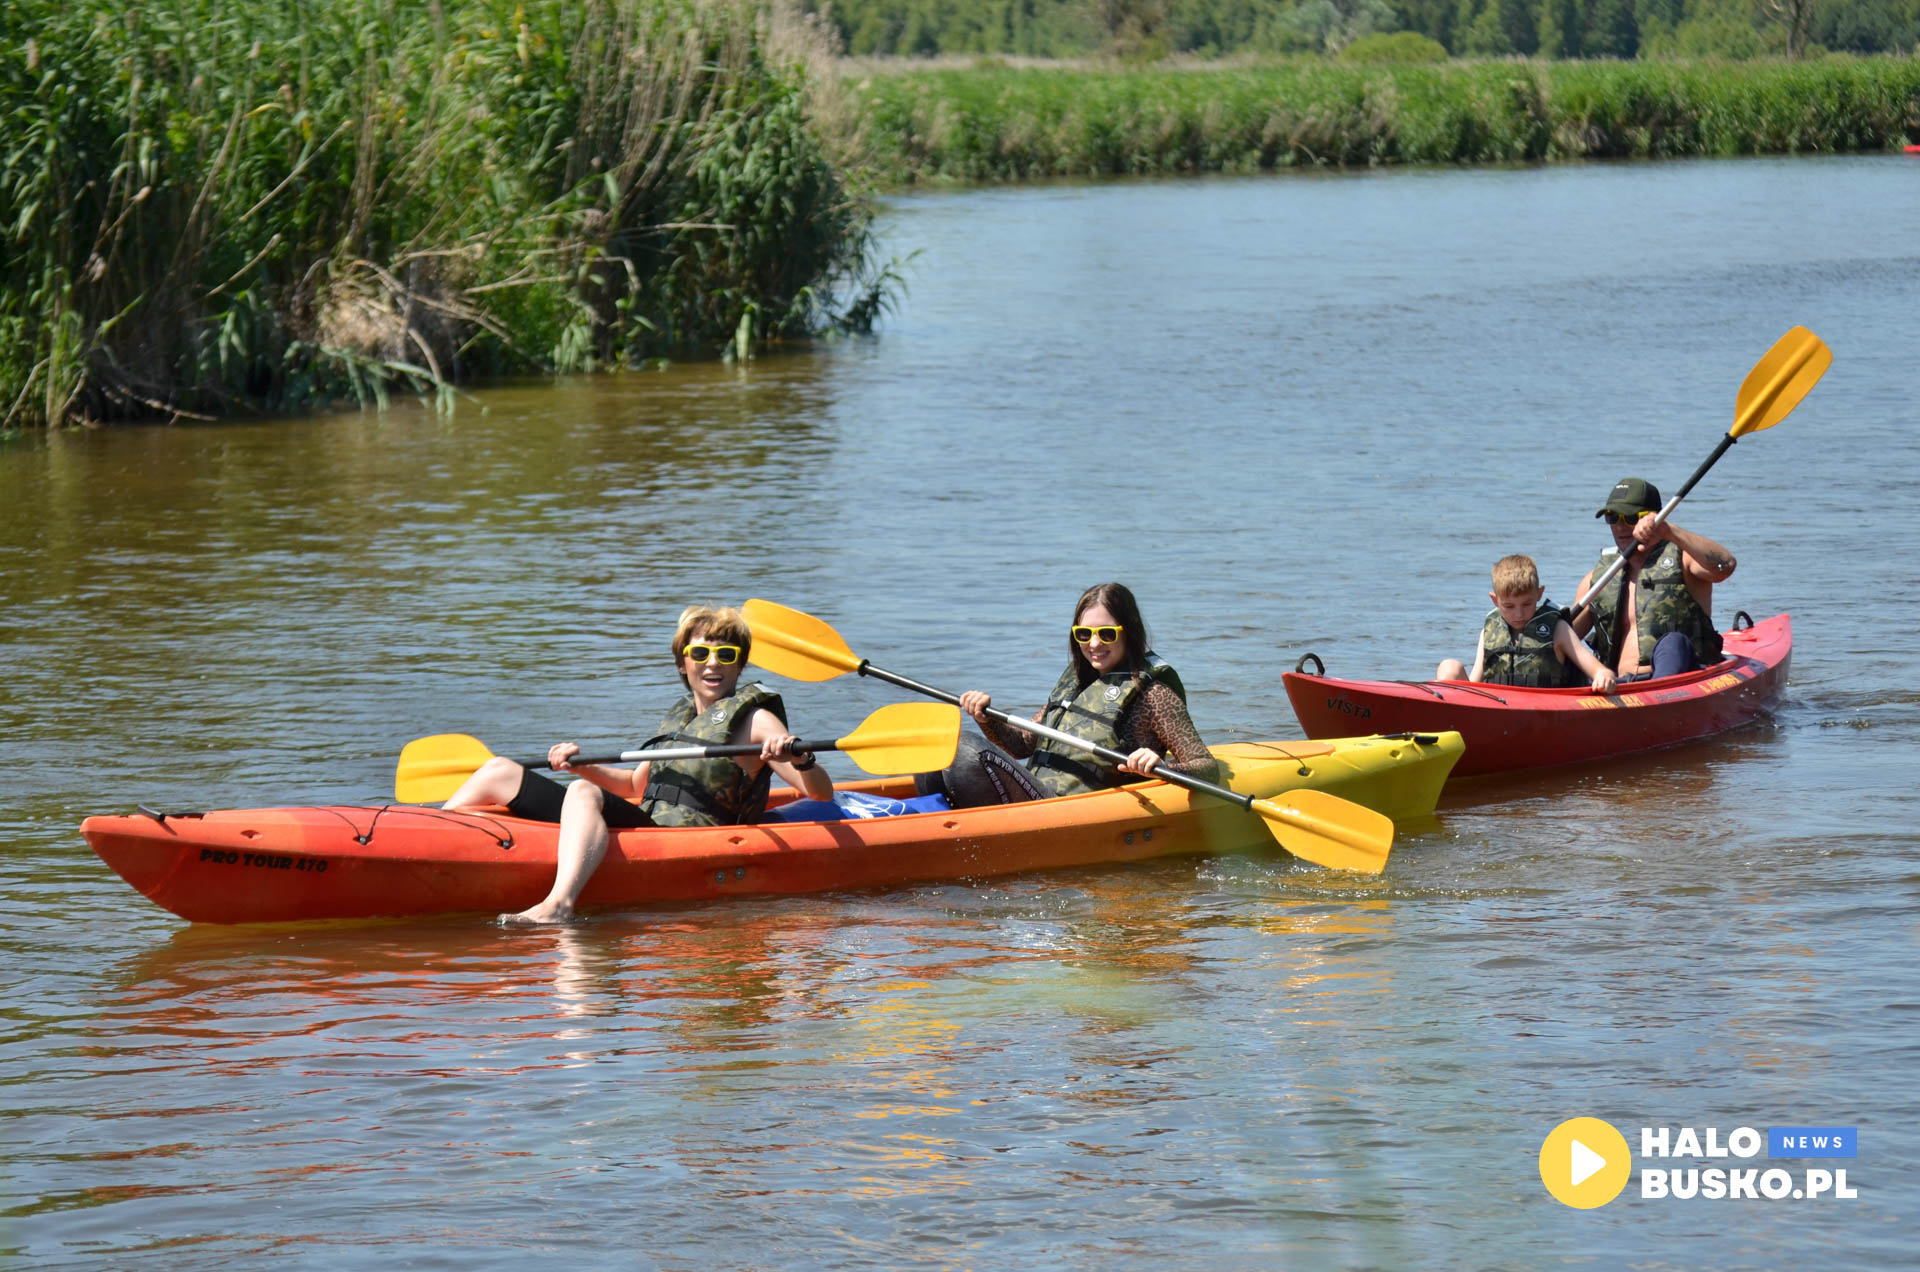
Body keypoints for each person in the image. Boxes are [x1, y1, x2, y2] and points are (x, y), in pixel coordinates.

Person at [443, 605, 831, 923]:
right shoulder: (680, 719)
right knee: (499, 771)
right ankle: (436, 842)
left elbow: (819, 793)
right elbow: (633, 786)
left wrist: (799, 757)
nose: (712, 664)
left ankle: (559, 903)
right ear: (683, 664)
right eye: (700, 653)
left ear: (740, 666)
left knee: (582, 794)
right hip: (649, 824)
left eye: (726, 655)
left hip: (690, 841)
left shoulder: (755, 720)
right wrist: (580, 766)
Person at [922, 582, 1218, 807]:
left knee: (966, 750)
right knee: (936, 752)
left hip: (1071, 808)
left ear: (1130, 632)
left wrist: (1161, 768)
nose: (1094, 644)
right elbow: (1023, 745)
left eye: (1107, 633)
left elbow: (1206, 767)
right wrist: (985, 718)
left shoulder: (1154, 695)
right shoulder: (1076, 683)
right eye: (1084, 634)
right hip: (1038, 793)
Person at [1570, 476, 1737, 681]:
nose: (1620, 526)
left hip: (1679, 680)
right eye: (1612, 518)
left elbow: (1725, 566)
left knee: (1673, 642)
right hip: (1616, 684)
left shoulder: (1685, 560)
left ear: (1653, 518)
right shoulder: (1598, 579)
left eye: (1630, 518)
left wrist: (1670, 531)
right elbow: (1566, 638)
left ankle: (1663, 697)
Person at [1435, 554, 1617, 691]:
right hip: (1496, 712)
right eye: (1509, 606)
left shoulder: (1558, 630)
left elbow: (1599, 671)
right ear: (1495, 601)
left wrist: (1604, 676)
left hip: (1543, 714)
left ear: (1539, 594)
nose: (1519, 614)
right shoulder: (1489, 632)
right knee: (1449, 667)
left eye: (1527, 604)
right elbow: (1475, 684)